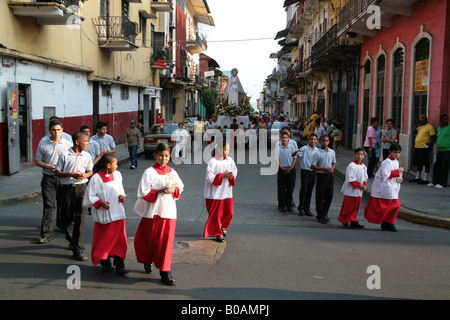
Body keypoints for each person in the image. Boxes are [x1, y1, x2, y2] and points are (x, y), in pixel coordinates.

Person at [133, 143, 184, 285]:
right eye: (161, 155)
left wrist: (174, 189)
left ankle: (165, 271)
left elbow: (180, 185)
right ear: (155, 155)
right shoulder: (149, 172)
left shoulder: (172, 171)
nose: (163, 158)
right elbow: (143, 192)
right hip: (153, 211)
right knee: (150, 240)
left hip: (168, 210)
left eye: (166, 155)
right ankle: (147, 260)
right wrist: (160, 191)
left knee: (166, 242)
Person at [83, 154, 129, 275]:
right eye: (115, 164)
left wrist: (121, 196)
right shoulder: (95, 178)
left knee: (120, 240)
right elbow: (89, 196)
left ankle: (120, 265)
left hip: (117, 213)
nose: (117, 166)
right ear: (108, 165)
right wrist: (100, 202)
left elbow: (120, 189)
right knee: (105, 240)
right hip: (104, 216)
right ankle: (106, 262)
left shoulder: (117, 175)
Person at [55, 131, 93, 261]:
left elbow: (90, 171)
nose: (87, 144)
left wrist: (85, 175)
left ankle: (78, 248)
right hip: (67, 189)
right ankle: (71, 238)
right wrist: (71, 174)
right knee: (66, 218)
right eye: (85, 141)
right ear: (77, 142)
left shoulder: (87, 156)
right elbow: (57, 172)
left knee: (80, 218)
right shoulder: (64, 155)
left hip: (82, 188)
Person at [35, 118, 73, 244]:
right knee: (49, 205)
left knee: (65, 205)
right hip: (48, 178)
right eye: (53, 130)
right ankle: (47, 233)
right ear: (49, 130)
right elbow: (38, 161)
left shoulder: (67, 143)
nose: (56, 133)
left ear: (62, 130)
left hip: (63, 178)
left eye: (58, 130)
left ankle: (66, 230)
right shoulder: (43, 142)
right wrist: (47, 166)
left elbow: (72, 159)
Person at [364, 143, 404, 232]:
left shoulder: (396, 161)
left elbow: (397, 174)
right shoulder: (387, 162)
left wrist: (400, 179)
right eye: (395, 152)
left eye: (398, 153)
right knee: (392, 206)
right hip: (385, 188)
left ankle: (387, 223)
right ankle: (389, 223)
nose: (396, 154)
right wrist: (397, 171)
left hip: (393, 187)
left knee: (394, 206)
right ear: (390, 152)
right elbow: (386, 175)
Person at [203, 142, 238, 243]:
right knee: (217, 215)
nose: (225, 151)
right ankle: (218, 233)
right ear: (218, 149)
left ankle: (223, 227)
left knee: (230, 212)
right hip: (216, 193)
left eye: (227, 149)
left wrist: (231, 175)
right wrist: (222, 175)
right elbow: (209, 177)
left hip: (226, 191)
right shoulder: (212, 162)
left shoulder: (230, 160)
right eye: (223, 149)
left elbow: (235, 170)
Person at [337, 148, 368, 228]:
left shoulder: (364, 166)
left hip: (359, 191)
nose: (359, 156)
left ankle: (353, 220)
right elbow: (350, 178)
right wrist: (359, 185)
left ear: (364, 156)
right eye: (358, 154)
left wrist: (364, 184)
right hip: (351, 190)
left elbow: (365, 177)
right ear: (355, 155)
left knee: (355, 206)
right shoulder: (351, 165)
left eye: (361, 154)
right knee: (348, 206)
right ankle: (344, 220)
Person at [311, 135, 336, 224]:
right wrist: (324, 169)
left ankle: (325, 213)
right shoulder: (317, 153)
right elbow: (313, 166)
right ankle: (320, 214)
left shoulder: (332, 152)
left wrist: (332, 168)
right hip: (321, 176)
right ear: (320, 142)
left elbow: (334, 162)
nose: (325, 142)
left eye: (326, 141)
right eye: (323, 141)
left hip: (330, 176)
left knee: (329, 195)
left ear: (329, 142)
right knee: (320, 196)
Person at [292, 133, 319, 217]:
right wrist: (295, 151)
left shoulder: (318, 150)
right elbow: (294, 155)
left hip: (313, 172)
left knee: (310, 191)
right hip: (305, 171)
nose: (313, 141)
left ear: (317, 141)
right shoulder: (304, 149)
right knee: (304, 190)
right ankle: (301, 208)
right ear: (308, 140)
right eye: (311, 139)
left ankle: (307, 209)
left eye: (314, 139)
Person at [410, 114, 436, 184]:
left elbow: (434, 137)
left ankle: (425, 178)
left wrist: (430, 142)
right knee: (419, 163)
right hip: (417, 147)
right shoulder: (420, 127)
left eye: (423, 118)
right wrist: (417, 123)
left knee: (426, 163)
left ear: (426, 119)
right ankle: (418, 177)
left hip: (424, 147)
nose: (422, 120)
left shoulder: (429, 127)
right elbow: (413, 132)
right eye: (420, 118)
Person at [275, 132, 297, 213]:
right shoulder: (278, 147)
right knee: (281, 189)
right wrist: (282, 168)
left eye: (286, 137)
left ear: (289, 139)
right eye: (283, 137)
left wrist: (291, 167)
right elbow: (276, 159)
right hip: (282, 169)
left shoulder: (291, 147)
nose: (284, 139)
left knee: (290, 188)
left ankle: (289, 205)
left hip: (290, 169)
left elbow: (295, 157)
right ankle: (281, 205)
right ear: (280, 139)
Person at [429, 114, 450, 188]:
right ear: (441, 120)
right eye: (444, 119)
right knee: (436, 166)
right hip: (440, 151)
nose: (446, 120)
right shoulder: (439, 128)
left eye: (446, 119)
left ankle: (442, 183)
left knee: (444, 167)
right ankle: (435, 182)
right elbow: (438, 137)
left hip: (447, 150)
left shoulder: (449, 127)